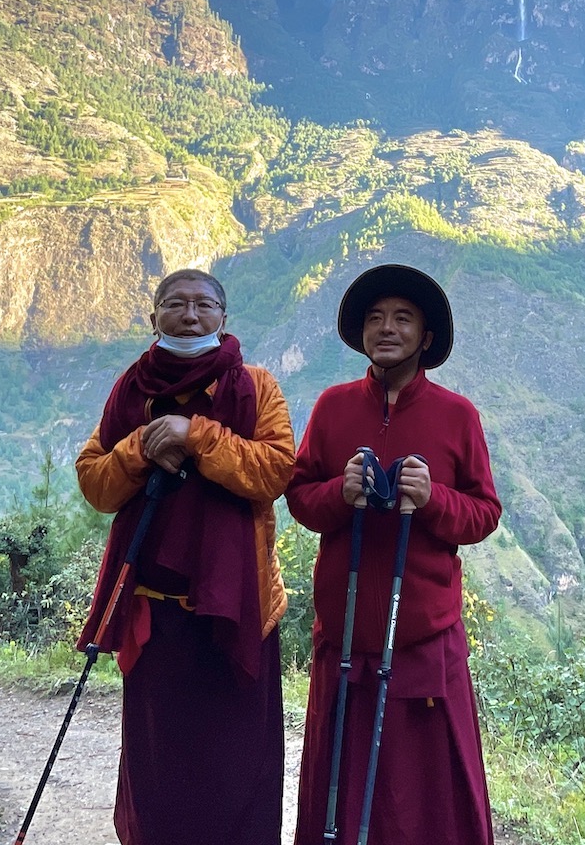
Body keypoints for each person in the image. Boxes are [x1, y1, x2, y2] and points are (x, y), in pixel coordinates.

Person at [74, 268, 294, 845]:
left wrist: (193, 434)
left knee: (238, 756)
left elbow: (274, 471)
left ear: (225, 318)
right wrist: (142, 446)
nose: (190, 315)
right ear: (154, 318)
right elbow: (97, 485)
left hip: (239, 606)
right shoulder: (131, 390)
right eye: (175, 304)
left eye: (203, 305)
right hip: (156, 612)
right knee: (160, 757)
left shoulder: (256, 385)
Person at [287, 263, 502, 845]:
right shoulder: (333, 408)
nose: (387, 329)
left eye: (403, 319)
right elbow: (301, 498)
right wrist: (341, 492)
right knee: (340, 780)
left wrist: (433, 501)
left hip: (422, 637)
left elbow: (484, 513)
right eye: (376, 319)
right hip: (347, 635)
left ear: (426, 338)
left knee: (425, 795)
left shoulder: (458, 416)